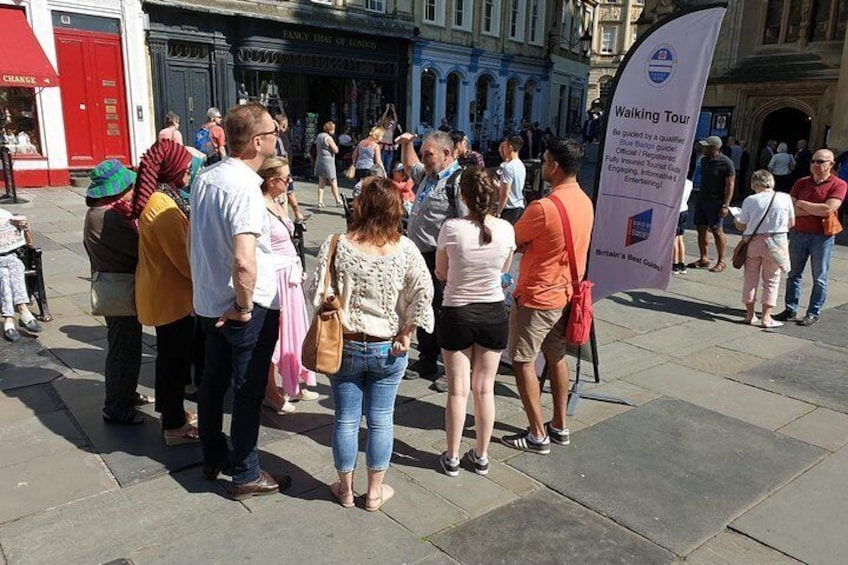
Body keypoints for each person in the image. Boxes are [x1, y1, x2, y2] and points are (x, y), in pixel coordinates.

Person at [309, 176, 433, 511]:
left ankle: (346, 490)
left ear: (360, 206)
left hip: (345, 345)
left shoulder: (338, 243)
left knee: (346, 419)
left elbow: (314, 292)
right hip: (387, 347)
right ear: (396, 210)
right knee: (381, 419)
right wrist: (407, 331)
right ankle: (375, 493)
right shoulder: (404, 249)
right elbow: (425, 291)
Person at [190, 102, 289, 499]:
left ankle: (214, 456)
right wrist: (245, 306)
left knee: (213, 384)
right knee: (247, 393)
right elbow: (244, 260)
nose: (277, 137)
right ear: (258, 141)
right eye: (273, 132)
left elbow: (194, 239)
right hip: (243, 308)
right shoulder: (246, 186)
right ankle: (246, 472)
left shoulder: (206, 176)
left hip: (209, 301)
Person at [500, 139, 594, 454]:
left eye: (544, 160)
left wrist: (528, 245)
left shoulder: (544, 207)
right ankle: (559, 425)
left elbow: (512, 239)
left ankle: (537, 435)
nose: (542, 165)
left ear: (554, 165)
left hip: (538, 296)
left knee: (523, 360)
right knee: (557, 357)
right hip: (568, 293)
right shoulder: (585, 200)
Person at [435, 168, 514, 477]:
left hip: (457, 312)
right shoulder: (507, 229)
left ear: (463, 196)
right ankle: (481, 456)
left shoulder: (451, 228)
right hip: (493, 314)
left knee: (458, 391)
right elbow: (504, 270)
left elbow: (441, 271)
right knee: (485, 389)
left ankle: (452, 457)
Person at [132, 140, 202, 445]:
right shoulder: (165, 210)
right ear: (171, 169)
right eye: (185, 167)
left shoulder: (160, 199)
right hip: (170, 296)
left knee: (168, 359)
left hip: (162, 290)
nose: (189, 172)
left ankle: (170, 410)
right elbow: (184, 260)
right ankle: (173, 426)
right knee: (175, 362)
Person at [83, 160, 151, 425]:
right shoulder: (108, 217)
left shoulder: (102, 212)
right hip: (119, 289)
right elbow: (139, 249)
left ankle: (126, 394)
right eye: (128, 186)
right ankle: (116, 407)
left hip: (117, 285)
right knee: (123, 349)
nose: (132, 190)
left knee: (128, 346)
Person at [397, 130, 464, 391]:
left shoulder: (457, 183)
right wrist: (406, 144)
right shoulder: (428, 175)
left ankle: (451, 369)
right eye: (423, 153)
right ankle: (427, 358)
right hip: (420, 256)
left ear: (447, 154)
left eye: (429, 154)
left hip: (443, 260)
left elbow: (466, 225)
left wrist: (453, 265)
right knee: (424, 307)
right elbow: (411, 163)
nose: (424, 159)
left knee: (445, 313)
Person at [257, 156, 318, 415]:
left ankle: (295, 382)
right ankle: (270, 391)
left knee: (295, 331)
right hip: (275, 277)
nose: (289, 181)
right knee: (277, 337)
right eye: (286, 178)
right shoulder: (259, 206)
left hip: (289, 275)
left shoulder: (277, 201)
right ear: (272, 181)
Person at [774, 149, 848, 326]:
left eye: (821, 161)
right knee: (793, 274)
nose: (815, 164)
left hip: (822, 237)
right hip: (798, 233)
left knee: (820, 277)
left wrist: (802, 205)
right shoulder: (801, 182)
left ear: (831, 164)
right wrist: (814, 209)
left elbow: (828, 209)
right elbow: (790, 208)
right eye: (813, 161)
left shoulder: (838, 184)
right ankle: (790, 308)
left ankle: (813, 312)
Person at [734, 170, 794, 328]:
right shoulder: (785, 198)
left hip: (753, 242)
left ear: (755, 184)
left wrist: (736, 220)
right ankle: (766, 318)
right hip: (776, 242)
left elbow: (742, 225)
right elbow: (791, 222)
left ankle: (749, 314)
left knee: (750, 278)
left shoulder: (750, 200)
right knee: (772, 280)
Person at [688, 136, 735, 273]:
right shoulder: (704, 160)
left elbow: (730, 185)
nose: (702, 148)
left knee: (717, 230)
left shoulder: (726, 163)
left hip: (716, 201)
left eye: (705, 146)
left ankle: (721, 261)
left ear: (714, 148)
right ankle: (704, 258)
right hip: (702, 198)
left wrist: (725, 205)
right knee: (701, 228)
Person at [0, 209, 42, 342]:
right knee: (11, 267)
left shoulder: (5, 215)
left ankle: (9, 320)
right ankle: (23, 312)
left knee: (7, 271)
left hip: (8, 257)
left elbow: (29, 244)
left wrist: (26, 229)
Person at [274, 114, 305, 222]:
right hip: (281, 171)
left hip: (280, 171)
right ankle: (290, 219)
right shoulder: (279, 136)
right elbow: (283, 154)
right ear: (284, 124)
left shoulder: (277, 136)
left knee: (286, 196)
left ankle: (294, 216)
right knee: (286, 195)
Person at [497, 136, 527, 224]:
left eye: (504, 146)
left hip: (509, 208)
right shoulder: (521, 165)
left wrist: (498, 212)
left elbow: (505, 193)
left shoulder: (508, 167)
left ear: (510, 147)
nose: (503, 149)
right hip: (519, 205)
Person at [315, 121, 342, 208]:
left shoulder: (319, 136)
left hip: (319, 159)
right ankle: (338, 200)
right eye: (333, 129)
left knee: (321, 182)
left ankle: (320, 201)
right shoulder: (328, 138)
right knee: (333, 181)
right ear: (330, 130)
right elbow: (336, 150)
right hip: (328, 161)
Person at [672, 177, 694, 274]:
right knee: (680, 237)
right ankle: (682, 263)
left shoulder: (676, 182)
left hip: (676, 211)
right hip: (684, 209)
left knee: (674, 239)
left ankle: (675, 264)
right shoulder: (689, 183)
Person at [378, 104, 400, 173]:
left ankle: (386, 180)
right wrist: (387, 109)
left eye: (389, 121)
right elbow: (382, 119)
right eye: (387, 121)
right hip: (382, 149)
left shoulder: (391, 129)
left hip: (390, 150)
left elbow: (396, 121)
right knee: (381, 166)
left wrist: (393, 111)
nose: (388, 122)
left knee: (388, 167)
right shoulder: (382, 129)